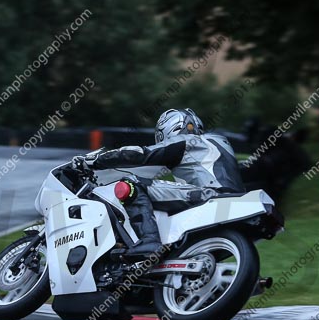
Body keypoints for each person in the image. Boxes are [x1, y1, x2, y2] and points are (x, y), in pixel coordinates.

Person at [73, 108, 245, 256]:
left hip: (209, 194)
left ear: (172, 127)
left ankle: (149, 241)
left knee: (132, 185)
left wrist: (95, 161)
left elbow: (139, 154)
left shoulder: (187, 140)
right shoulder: (219, 143)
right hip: (232, 199)